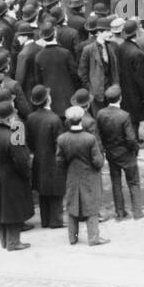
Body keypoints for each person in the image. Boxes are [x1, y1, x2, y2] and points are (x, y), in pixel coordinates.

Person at [0, 100, 34, 251]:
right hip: (13, 177)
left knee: (2, 210)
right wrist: (26, 175)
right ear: (11, 117)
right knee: (14, 210)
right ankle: (13, 242)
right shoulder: (14, 135)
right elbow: (22, 160)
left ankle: (4, 240)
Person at [56, 104, 110, 245]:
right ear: (81, 119)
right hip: (89, 176)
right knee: (91, 205)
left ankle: (72, 237)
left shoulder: (62, 139)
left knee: (72, 204)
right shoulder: (90, 139)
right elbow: (98, 161)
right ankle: (93, 237)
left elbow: (59, 161)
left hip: (72, 175)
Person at [96, 85, 144, 220]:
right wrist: (135, 149)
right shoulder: (124, 116)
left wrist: (105, 149)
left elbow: (98, 134)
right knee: (133, 182)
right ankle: (137, 212)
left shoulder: (100, 114)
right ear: (120, 98)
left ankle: (120, 212)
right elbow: (131, 138)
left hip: (111, 153)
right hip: (126, 154)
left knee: (116, 183)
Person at [24, 84, 66, 228]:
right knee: (55, 191)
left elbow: (29, 140)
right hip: (53, 161)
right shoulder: (55, 119)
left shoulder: (30, 118)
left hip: (39, 159)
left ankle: (46, 220)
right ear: (47, 99)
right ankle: (56, 221)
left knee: (42, 190)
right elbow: (60, 144)